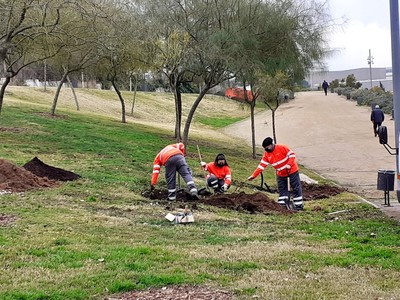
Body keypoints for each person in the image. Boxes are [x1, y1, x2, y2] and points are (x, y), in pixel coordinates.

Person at [247, 137, 304, 210]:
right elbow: (261, 166)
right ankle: (283, 205)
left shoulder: (282, 147)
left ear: (272, 144)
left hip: (291, 171)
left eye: (268, 147)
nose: (266, 149)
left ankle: (298, 205)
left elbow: (292, 155)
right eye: (265, 148)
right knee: (282, 189)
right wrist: (253, 176)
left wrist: (289, 164)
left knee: (296, 188)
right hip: (280, 174)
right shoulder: (266, 154)